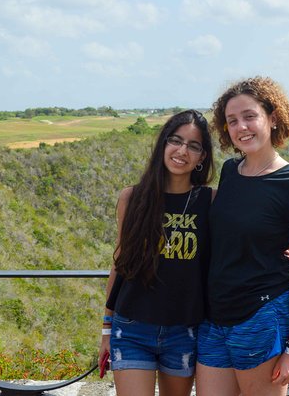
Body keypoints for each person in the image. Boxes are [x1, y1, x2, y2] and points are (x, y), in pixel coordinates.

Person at [196, 76, 289, 396]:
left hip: (261, 315)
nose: (241, 127)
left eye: (250, 116)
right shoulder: (229, 172)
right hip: (215, 315)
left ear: (273, 117)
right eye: (232, 121)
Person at [98, 109, 215, 396]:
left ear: (202, 157)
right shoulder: (133, 197)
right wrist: (105, 328)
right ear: (163, 144)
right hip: (132, 326)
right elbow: (120, 262)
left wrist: (281, 248)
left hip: (184, 330)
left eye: (193, 145)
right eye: (175, 140)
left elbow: (245, 236)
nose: (182, 150)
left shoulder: (210, 201)